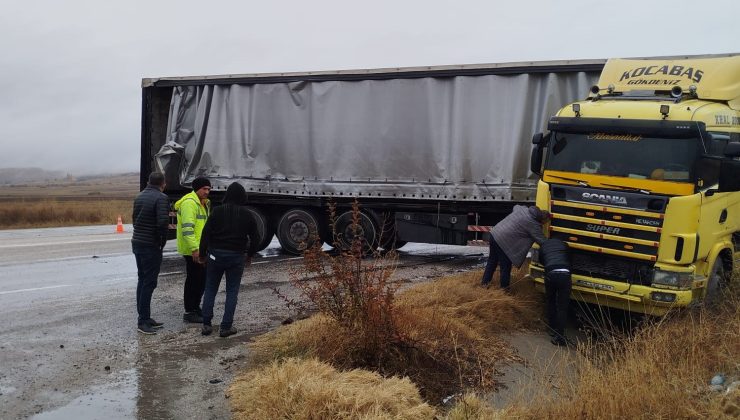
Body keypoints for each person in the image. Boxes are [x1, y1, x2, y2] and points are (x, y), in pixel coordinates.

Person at [198, 182, 257, 338]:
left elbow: (206, 234)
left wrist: (203, 255)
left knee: (210, 288)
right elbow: (256, 238)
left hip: (215, 255)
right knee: (232, 291)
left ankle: (206, 324)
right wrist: (250, 254)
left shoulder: (217, 211)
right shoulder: (247, 214)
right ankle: (226, 327)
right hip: (236, 257)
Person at [131, 172, 170, 335]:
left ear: (148, 182)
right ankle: (143, 321)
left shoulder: (140, 196)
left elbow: (134, 219)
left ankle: (145, 317)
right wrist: (161, 242)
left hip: (137, 242)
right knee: (149, 283)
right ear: (163, 183)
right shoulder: (161, 198)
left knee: (142, 280)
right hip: (150, 246)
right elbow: (162, 223)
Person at [481, 205, 549, 291]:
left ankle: (484, 284)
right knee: (505, 266)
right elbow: (542, 241)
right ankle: (504, 290)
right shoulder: (533, 224)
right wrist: (554, 245)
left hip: (495, 233)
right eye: (544, 223)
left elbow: (515, 206)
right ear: (542, 220)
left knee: (492, 261)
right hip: (503, 242)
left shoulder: (523, 209)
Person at [175, 176, 211, 323]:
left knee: (201, 280)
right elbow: (188, 229)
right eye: (204, 189)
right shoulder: (190, 203)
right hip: (193, 250)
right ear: (197, 189)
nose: (207, 192)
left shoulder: (203, 203)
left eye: (209, 189)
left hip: (200, 249)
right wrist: (195, 249)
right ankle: (190, 311)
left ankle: (195, 307)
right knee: (194, 280)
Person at [540, 238, 571, 347]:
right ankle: (560, 336)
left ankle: (551, 328)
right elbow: (569, 258)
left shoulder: (543, 245)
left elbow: (542, 260)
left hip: (550, 273)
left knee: (551, 300)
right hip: (565, 274)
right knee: (562, 307)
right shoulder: (564, 244)